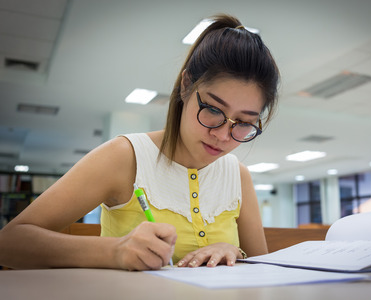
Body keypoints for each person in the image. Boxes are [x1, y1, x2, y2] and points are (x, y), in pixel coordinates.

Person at [0, 14, 279, 271]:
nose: (221, 135)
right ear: (186, 86)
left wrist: (234, 252)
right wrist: (115, 251)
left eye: (243, 123)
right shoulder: (125, 156)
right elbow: (8, 243)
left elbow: (261, 270)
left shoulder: (237, 175)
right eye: (214, 110)